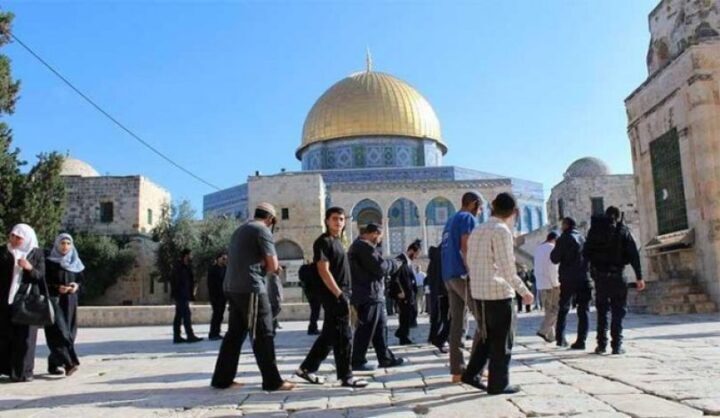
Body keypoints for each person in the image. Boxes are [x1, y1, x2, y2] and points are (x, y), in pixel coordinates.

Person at [211, 203, 295, 391]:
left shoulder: (240, 229)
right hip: (251, 288)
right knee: (263, 333)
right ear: (271, 219)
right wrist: (274, 268)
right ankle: (273, 381)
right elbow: (273, 266)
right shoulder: (262, 230)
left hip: (232, 288)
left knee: (234, 335)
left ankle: (222, 379)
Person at [463, 193, 533, 395]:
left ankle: (472, 373)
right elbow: (507, 269)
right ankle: (498, 383)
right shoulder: (501, 231)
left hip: (479, 292)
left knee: (486, 337)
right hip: (499, 293)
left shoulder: (478, 229)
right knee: (502, 341)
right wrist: (525, 292)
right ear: (513, 212)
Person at [295, 207, 368, 388]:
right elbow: (323, 270)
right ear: (327, 221)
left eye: (341, 219)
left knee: (329, 335)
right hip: (334, 295)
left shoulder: (338, 242)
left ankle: (306, 368)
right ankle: (346, 376)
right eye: (334, 218)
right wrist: (339, 294)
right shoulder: (323, 242)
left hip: (341, 293)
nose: (338, 222)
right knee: (344, 335)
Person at [584, 206, 646, 355]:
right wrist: (639, 277)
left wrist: (591, 271)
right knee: (618, 311)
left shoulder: (594, 231)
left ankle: (601, 344)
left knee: (602, 311)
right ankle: (616, 345)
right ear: (618, 217)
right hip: (618, 276)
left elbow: (585, 253)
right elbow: (633, 255)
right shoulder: (623, 231)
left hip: (600, 277)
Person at [349, 223, 404, 371]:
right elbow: (381, 267)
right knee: (366, 328)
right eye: (379, 237)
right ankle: (357, 360)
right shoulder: (363, 247)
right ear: (374, 233)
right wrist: (396, 262)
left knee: (380, 328)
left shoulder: (361, 247)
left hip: (373, 294)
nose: (379, 240)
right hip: (368, 294)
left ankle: (385, 358)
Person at [440, 192, 482, 383]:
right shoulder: (467, 218)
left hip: (449, 275)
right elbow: (466, 246)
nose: (480, 212)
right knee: (484, 320)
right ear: (473, 204)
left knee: (458, 322)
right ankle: (476, 369)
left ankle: (457, 370)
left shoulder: (450, 221)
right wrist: (471, 271)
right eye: (480, 208)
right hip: (462, 275)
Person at [0, 224, 46, 382]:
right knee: (6, 335)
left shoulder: (36, 254)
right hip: (5, 301)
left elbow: (40, 276)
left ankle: (24, 372)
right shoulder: (4, 251)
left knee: (26, 338)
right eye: (12, 235)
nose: (13, 239)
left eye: (18, 237)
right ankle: (6, 369)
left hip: (26, 302)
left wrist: (29, 268)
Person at [44, 233, 84, 376]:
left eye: (68, 243)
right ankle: (70, 363)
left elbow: (81, 281)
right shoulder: (49, 262)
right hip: (55, 301)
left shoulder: (76, 262)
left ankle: (53, 364)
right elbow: (44, 283)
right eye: (62, 243)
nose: (65, 246)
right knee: (60, 333)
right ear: (57, 244)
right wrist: (57, 288)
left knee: (70, 333)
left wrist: (75, 286)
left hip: (71, 301)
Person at [551, 217, 592, 350]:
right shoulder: (582, 238)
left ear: (566, 225)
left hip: (568, 277)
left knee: (563, 307)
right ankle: (581, 340)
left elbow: (554, 258)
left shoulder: (564, 238)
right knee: (583, 309)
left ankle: (560, 337)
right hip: (583, 277)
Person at [393, 240, 421, 345]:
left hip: (409, 294)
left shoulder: (408, 262)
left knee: (408, 315)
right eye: (416, 254)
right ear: (410, 251)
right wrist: (399, 291)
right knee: (404, 316)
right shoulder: (400, 260)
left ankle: (403, 335)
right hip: (403, 294)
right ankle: (402, 335)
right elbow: (394, 278)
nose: (416, 257)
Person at [171, 249, 202, 344]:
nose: (191, 257)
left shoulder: (185, 267)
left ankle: (177, 336)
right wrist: (179, 293)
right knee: (186, 315)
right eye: (190, 255)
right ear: (186, 255)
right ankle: (190, 335)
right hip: (181, 295)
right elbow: (176, 281)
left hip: (184, 294)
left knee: (179, 316)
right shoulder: (178, 267)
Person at [534, 232, 560, 343]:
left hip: (541, 284)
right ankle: (543, 330)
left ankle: (551, 336)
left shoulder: (538, 249)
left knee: (548, 310)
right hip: (550, 284)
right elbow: (552, 268)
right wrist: (556, 283)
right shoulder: (552, 248)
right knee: (555, 309)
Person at [426, 245, 450, 352]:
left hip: (438, 291)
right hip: (446, 290)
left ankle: (435, 337)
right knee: (450, 317)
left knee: (441, 317)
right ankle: (441, 338)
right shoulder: (443, 256)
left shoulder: (434, 259)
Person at [207, 251, 228, 340]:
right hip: (215, 296)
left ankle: (217, 332)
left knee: (220, 315)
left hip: (223, 296)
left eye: (225, 259)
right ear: (218, 258)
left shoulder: (226, 269)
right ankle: (213, 333)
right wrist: (213, 296)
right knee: (216, 314)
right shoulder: (213, 269)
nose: (224, 260)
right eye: (223, 258)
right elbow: (210, 284)